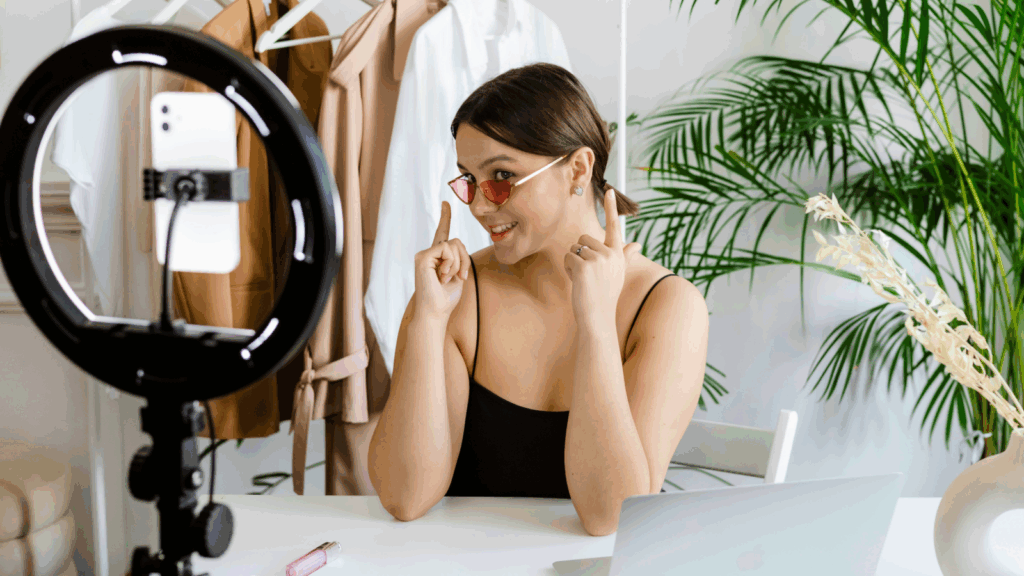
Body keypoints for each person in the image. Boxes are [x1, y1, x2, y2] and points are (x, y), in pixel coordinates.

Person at [367, 63, 709, 537]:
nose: (479, 205)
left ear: (578, 169)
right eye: (469, 180)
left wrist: (596, 324)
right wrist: (426, 322)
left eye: (501, 176)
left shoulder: (668, 307)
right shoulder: (456, 293)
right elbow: (405, 498)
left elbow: (610, 517)